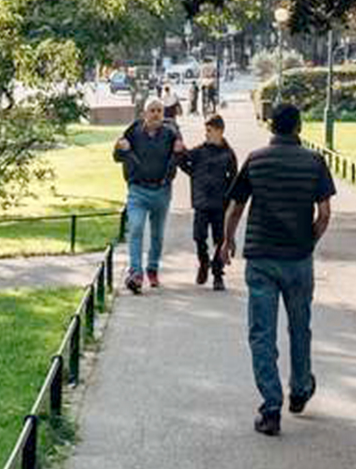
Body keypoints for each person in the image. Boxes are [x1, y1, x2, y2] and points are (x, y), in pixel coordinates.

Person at [221, 103, 335, 437]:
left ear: (271, 127)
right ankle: (300, 389)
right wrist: (309, 239)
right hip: (298, 258)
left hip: (261, 258)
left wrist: (228, 241)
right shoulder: (314, 162)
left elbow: (236, 207)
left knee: (262, 333)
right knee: (300, 327)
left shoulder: (256, 160)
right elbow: (325, 213)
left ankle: (271, 407)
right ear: (298, 127)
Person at [113, 96, 184, 294]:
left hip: (161, 191)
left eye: (159, 111)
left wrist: (180, 152)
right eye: (151, 110)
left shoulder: (170, 134)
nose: (155, 114)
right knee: (135, 228)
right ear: (144, 114)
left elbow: (181, 156)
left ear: (163, 114)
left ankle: (152, 268)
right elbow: (116, 156)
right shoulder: (133, 132)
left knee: (157, 235)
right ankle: (136, 272)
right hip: (138, 191)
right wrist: (121, 148)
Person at [178, 113, 238, 290]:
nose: (206, 134)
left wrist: (232, 204)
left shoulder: (228, 155)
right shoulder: (199, 151)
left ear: (220, 131)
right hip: (201, 203)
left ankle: (218, 274)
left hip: (220, 205)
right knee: (199, 237)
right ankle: (204, 263)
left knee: (220, 239)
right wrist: (181, 152)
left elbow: (234, 180)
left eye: (210, 130)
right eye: (206, 130)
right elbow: (185, 163)